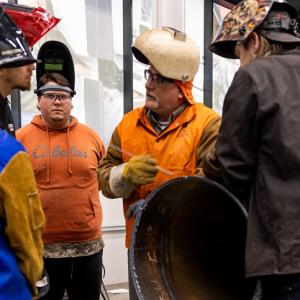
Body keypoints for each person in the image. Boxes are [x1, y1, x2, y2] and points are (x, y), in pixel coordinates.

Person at [98, 26, 220, 298]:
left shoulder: (208, 125)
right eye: (148, 75)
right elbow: (104, 176)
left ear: (182, 88)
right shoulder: (128, 125)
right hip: (140, 248)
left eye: (158, 79)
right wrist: (124, 176)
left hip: (189, 250)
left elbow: (211, 187)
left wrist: (157, 208)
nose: (148, 84)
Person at [208, 0, 300, 299]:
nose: (241, 63)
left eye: (239, 53)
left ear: (255, 42)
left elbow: (234, 167)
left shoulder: (254, 77)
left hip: (284, 254)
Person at [17, 72, 106, 300]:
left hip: (88, 247)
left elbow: (104, 179)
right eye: (50, 95)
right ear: (38, 100)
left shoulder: (91, 137)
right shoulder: (19, 139)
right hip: (40, 248)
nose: (58, 101)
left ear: (71, 101)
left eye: (63, 96)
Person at [0, 6, 46, 300]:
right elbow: (23, 221)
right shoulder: (8, 150)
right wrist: (35, 273)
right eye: (24, 59)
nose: (33, 66)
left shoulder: (4, 110)